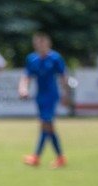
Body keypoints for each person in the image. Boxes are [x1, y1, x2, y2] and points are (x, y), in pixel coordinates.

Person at [18, 32, 69, 168]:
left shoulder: (55, 58)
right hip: (40, 96)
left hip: (51, 95)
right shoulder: (32, 59)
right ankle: (60, 157)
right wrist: (23, 88)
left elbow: (63, 76)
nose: (40, 46)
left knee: (45, 124)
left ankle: (36, 157)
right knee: (48, 127)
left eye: (43, 43)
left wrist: (65, 94)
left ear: (48, 44)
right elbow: (26, 76)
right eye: (38, 43)